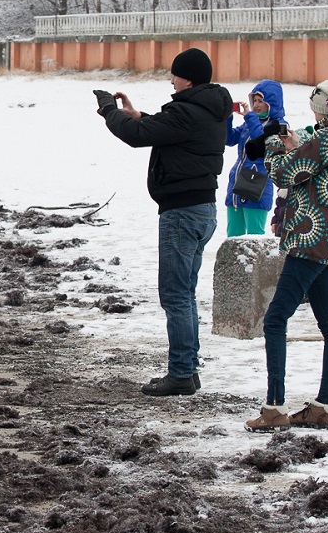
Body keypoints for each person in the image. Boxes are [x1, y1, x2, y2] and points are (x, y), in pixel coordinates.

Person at [93, 47, 231, 396]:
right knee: (183, 293)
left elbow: (138, 136)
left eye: (174, 75)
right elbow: (162, 128)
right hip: (202, 210)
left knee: (175, 295)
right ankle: (187, 370)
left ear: (188, 78)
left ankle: (182, 373)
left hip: (182, 214)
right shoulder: (208, 109)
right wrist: (138, 114)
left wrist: (110, 111)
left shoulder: (186, 112)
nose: (171, 80)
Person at [244, 78, 328, 432]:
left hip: (308, 238)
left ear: (327, 106)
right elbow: (319, 159)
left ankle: (274, 410)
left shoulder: (326, 140)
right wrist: (298, 142)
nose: (311, 111)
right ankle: (323, 408)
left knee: (275, 320)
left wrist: (274, 144)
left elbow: (283, 171)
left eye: (315, 104)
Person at [224, 80, 287, 236]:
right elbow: (228, 139)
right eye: (254, 101)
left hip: (257, 186)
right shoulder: (250, 122)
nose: (256, 105)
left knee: (254, 239)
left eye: (261, 101)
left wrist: (250, 117)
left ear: (272, 103)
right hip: (236, 186)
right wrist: (227, 117)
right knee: (232, 238)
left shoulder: (280, 126)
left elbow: (261, 146)